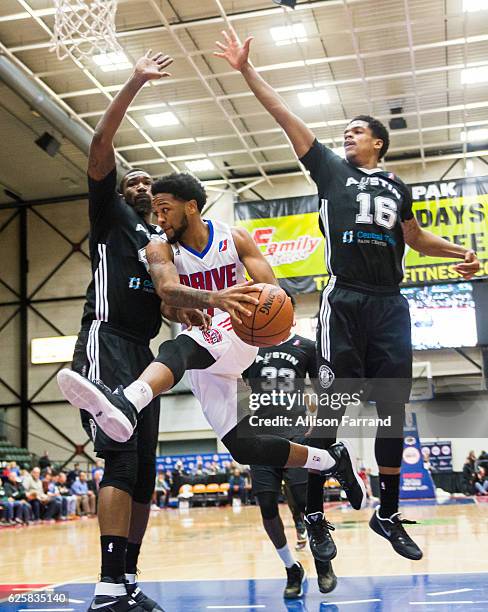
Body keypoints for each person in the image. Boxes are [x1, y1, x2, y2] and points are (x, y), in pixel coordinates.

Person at [213, 28, 480, 565]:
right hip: (346, 299)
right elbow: (286, 117)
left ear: (378, 142)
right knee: (332, 406)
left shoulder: (397, 185)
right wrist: (246, 70)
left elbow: (416, 237)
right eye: (346, 131)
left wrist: (460, 255)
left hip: (390, 303)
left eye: (356, 131)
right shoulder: (330, 170)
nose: (347, 136)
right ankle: (313, 515)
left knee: (390, 409)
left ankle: (387, 513)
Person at [57, 173, 368, 605]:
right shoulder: (160, 247)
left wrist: (251, 307)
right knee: (245, 446)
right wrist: (193, 307)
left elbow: (275, 294)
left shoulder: (234, 237)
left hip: (240, 333)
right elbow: (166, 294)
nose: (158, 216)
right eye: (155, 210)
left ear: (191, 207)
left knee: (175, 348)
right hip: (208, 349)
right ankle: (328, 458)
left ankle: (128, 400)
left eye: (165, 208)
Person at [242, 292, 336, 597]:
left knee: (304, 502)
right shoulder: (247, 349)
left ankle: (322, 562)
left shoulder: (306, 347)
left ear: (290, 314)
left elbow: (324, 388)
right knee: (267, 505)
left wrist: (318, 425)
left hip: (296, 434)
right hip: (260, 437)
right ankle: (291, 568)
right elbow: (234, 385)